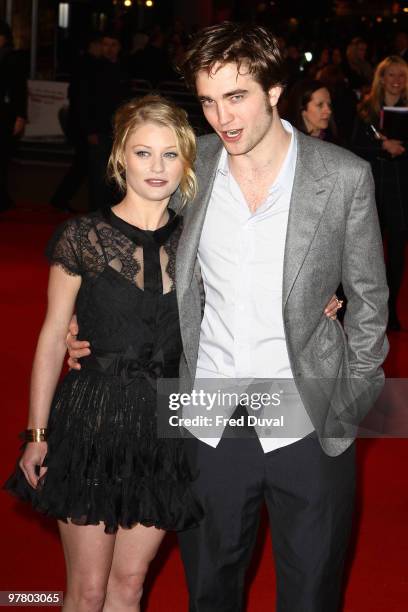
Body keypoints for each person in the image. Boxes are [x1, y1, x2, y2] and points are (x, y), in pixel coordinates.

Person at [66, 23, 388, 612]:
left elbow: (370, 300)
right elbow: (132, 236)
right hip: (210, 411)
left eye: (236, 97)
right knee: (211, 589)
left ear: (273, 91)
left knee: (312, 592)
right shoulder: (193, 167)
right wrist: (88, 320)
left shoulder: (343, 177)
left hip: (306, 413)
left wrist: (352, 397)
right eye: (209, 101)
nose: (222, 117)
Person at [5, 95, 203, 612]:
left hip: (166, 425)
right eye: (143, 153)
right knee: (88, 590)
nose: (156, 167)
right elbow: (52, 336)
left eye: (169, 154)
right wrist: (37, 433)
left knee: (129, 587)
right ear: (120, 158)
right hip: (91, 419)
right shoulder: (81, 237)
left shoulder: (200, 244)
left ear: (186, 161)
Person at [351, 55, 408, 331]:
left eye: (402, 76)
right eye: (392, 75)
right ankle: (369, 311)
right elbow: (353, 148)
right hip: (372, 186)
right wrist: (382, 148)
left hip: (401, 187)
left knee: (397, 253)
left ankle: (392, 310)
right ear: (381, 78)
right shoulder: (365, 110)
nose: (397, 81)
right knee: (368, 253)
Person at [0, 19, 27, 211]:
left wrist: (20, 116)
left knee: (2, 157)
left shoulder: (12, 59)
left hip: (5, 115)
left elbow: (19, 89)